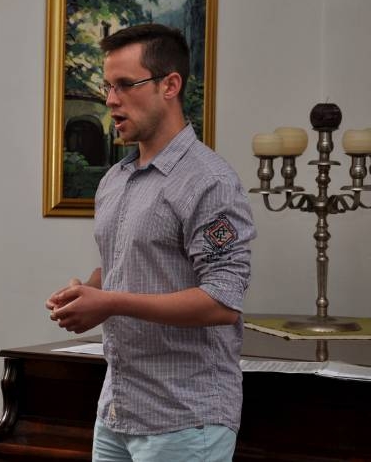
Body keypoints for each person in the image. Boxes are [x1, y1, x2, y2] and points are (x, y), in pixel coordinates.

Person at [46, 23, 255, 462]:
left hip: (185, 419)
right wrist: (88, 291)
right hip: (117, 411)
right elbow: (125, 265)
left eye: (125, 85)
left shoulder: (210, 181)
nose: (110, 100)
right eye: (107, 86)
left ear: (169, 85)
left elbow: (222, 301)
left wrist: (110, 303)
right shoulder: (115, 179)